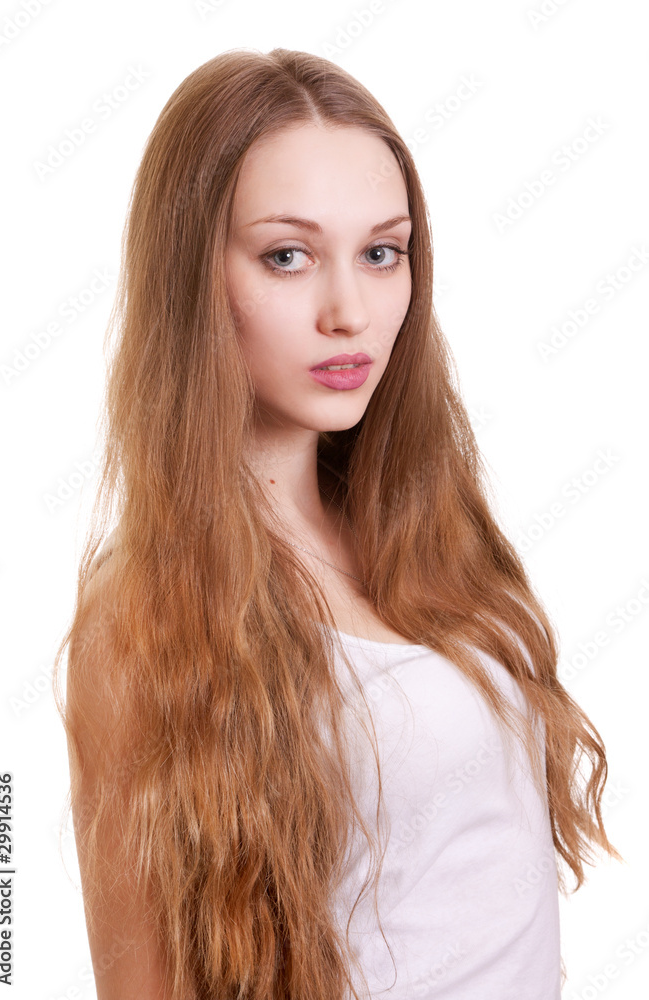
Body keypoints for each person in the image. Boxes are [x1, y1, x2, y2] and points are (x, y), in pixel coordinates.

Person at [53, 48, 622, 1000]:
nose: (349, 312)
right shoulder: (144, 613)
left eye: (381, 252)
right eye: (287, 256)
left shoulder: (426, 531)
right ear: (192, 276)